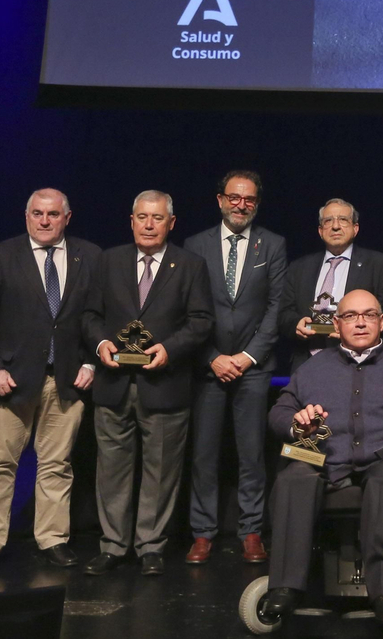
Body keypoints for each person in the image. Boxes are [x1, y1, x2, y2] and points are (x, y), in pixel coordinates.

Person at [257, 289, 383, 634]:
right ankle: (285, 586)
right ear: (336, 324)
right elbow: (279, 412)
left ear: (382, 322)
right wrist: (296, 422)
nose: (361, 321)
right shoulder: (313, 368)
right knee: (294, 477)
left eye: (369, 314)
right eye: (351, 315)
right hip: (325, 457)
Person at [0, 188, 101, 573]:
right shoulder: (2, 256)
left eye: (52, 214)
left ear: (66, 218)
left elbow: (99, 317)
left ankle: (53, 539)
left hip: (67, 381)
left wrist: (91, 364)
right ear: (26, 217)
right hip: (10, 381)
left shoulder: (88, 256)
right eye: (37, 213)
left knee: (57, 464)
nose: (44, 220)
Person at [82, 191, 214, 575]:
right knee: (111, 470)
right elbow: (89, 316)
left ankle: (150, 547)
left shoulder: (189, 265)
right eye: (142, 217)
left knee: (161, 472)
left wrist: (169, 349)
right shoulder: (108, 261)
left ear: (171, 223)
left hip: (165, 384)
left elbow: (202, 321)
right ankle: (112, 546)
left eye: (157, 218)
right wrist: (101, 342)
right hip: (113, 382)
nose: (149, 224)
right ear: (131, 220)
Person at [183, 169, 288, 566]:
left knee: (251, 455)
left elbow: (276, 306)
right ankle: (203, 534)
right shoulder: (195, 245)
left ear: (256, 204)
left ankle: (251, 532)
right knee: (204, 455)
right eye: (234, 197)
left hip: (254, 367)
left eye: (249, 199)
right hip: (208, 364)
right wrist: (212, 356)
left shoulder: (272, 244)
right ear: (220, 200)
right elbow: (188, 307)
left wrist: (246, 357)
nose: (241, 205)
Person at [283, 199, 383, 373]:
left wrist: (353, 331)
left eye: (343, 220)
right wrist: (295, 324)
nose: (335, 226)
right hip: (307, 365)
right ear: (320, 231)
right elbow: (284, 313)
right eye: (328, 221)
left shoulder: (379, 264)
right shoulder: (299, 267)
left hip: (360, 365)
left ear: (355, 228)